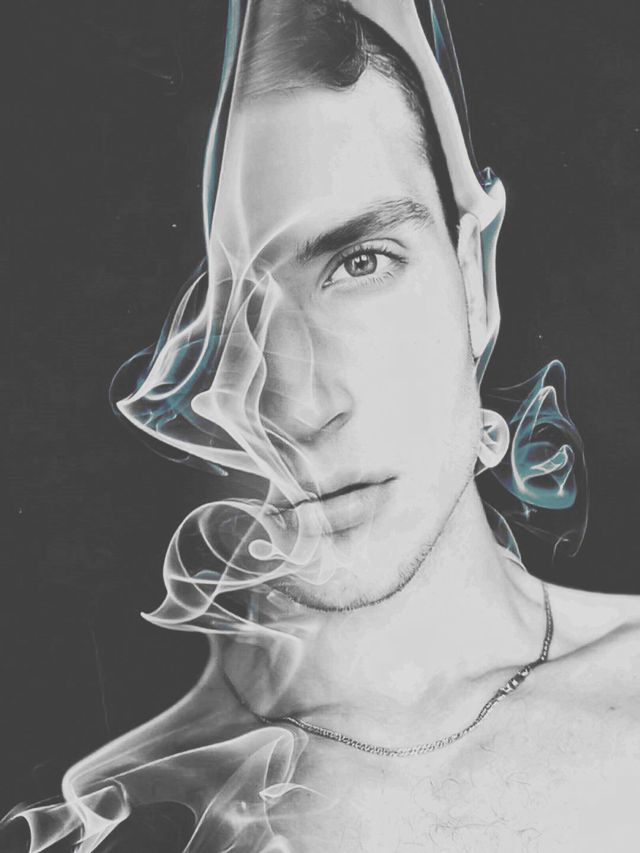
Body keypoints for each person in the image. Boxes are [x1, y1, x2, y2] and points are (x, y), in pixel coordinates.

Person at [4, 2, 640, 852]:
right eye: (220, 319)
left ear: (474, 281)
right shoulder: (108, 818)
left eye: (360, 261)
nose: (301, 407)